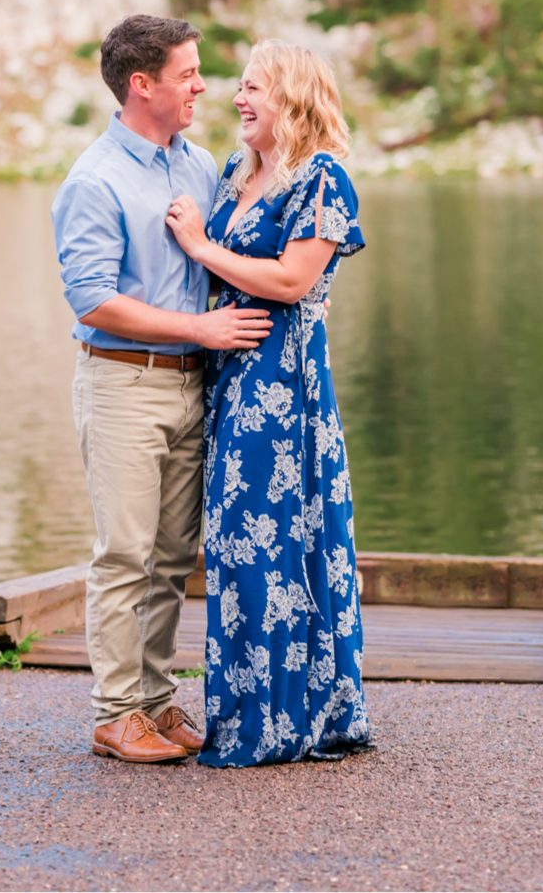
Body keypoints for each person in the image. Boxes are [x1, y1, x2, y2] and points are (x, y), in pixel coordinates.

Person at [51, 15, 275, 764]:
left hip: (191, 384)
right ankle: (115, 713)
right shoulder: (94, 180)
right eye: (188, 74)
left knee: (174, 554)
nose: (203, 86)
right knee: (125, 554)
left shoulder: (200, 165)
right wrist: (201, 330)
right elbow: (92, 300)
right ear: (142, 85)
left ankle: (153, 700)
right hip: (124, 382)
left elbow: (222, 255)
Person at [164, 39, 374, 766]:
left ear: (291, 96)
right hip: (229, 379)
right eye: (240, 87)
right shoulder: (235, 171)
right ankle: (248, 710)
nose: (236, 99)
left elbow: (289, 280)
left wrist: (200, 246)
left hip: (285, 386)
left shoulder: (324, 179)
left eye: (252, 87)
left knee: (277, 540)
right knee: (233, 542)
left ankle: (291, 716)